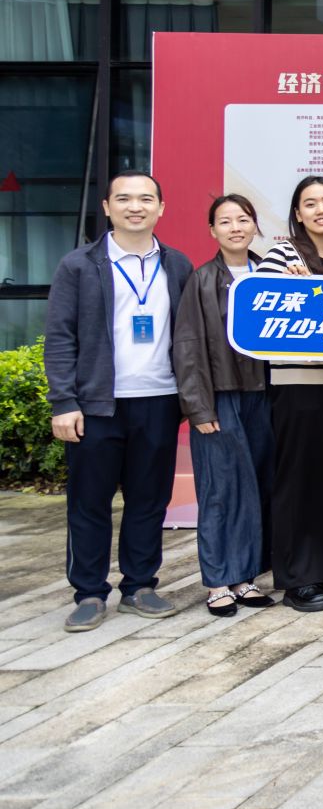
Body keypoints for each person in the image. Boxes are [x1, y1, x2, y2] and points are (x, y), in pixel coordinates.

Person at [46, 170, 193, 631]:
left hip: (159, 400)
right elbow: (60, 337)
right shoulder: (79, 265)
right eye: (124, 199)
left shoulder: (177, 265)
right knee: (89, 503)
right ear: (107, 207)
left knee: (149, 501)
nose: (136, 207)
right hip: (96, 406)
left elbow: (190, 337)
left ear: (161, 208)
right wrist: (63, 402)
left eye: (146, 199)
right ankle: (89, 593)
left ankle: (139, 586)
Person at [255, 175, 323, 612]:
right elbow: (261, 313)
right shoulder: (282, 255)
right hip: (297, 388)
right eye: (311, 203)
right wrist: (300, 293)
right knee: (300, 484)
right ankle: (297, 579)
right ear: (298, 214)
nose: (322, 209)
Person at [172, 193, 277, 617]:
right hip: (220, 397)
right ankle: (218, 581)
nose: (236, 228)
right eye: (226, 221)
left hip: (265, 396)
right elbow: (187, 347)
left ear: (255, 225)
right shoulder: (201, 280)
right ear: (212, 230)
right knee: (220, 490)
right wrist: (199, 408)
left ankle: (245, 577)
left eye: (243, 219)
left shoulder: (272, 275)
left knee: (257, 487)